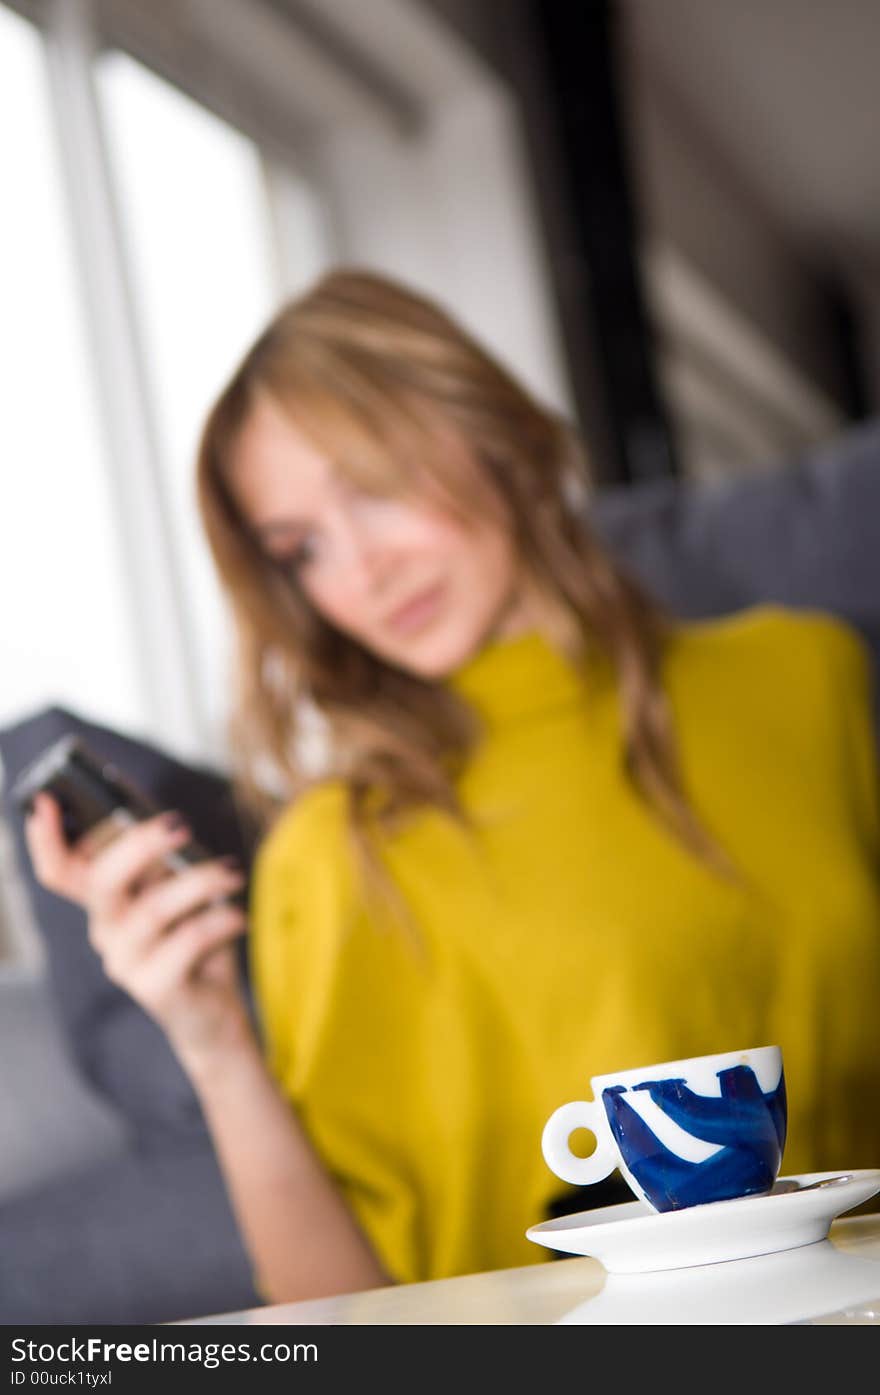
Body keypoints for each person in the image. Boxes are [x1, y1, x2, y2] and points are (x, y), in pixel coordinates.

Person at [24, 269, 880, 1305]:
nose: (364, 575)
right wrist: (213, 1046)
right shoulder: (340, 848)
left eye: (374, 488)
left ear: (494, 433)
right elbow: (342, 1307)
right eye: (301, 551)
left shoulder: (805, 675)